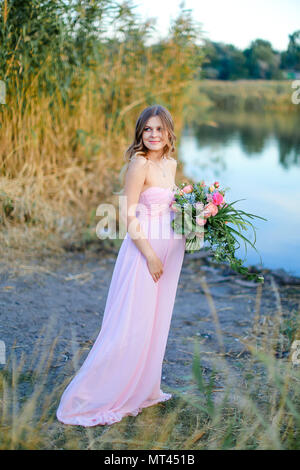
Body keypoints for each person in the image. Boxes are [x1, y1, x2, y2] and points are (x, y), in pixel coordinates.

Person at [56, 104, 186, 426]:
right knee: (129, 324)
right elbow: (128, 216)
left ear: (169, 131)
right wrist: (150, 255)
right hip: (143, 252)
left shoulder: (170, 164)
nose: (153, 135)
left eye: (159, 129)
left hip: (169, 251)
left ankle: (144, 389)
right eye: (147, 129)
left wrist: (197, 217)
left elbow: (172, 205)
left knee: (155, 323)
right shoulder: (138, 165)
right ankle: (94, 395)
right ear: (140, 133)